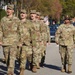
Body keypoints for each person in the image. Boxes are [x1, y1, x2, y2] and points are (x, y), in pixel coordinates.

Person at [0, 4, 20, 75]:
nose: (8, 10)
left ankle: (10, 72)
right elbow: (1, 30)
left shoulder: (16, 20)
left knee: (12, 57)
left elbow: (20, 31)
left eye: (10, 9)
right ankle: (9, 68)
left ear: (13, 11)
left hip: (14, 42)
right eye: (7, 9)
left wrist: (19, 41)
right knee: (7, 57)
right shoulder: (3, 19)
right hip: (5, 42)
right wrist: (0, 40)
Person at [18, 9, 33, 75]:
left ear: (26, 15)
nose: (22, 14)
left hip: (26, 43)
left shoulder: (29, 23)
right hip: (17, 43)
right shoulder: (17, 22)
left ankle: (22, 70)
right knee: (18, 56)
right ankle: (21, 66)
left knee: (23, 57)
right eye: (21, 13)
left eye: (23, 13)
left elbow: (33, 33)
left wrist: (33, 42)